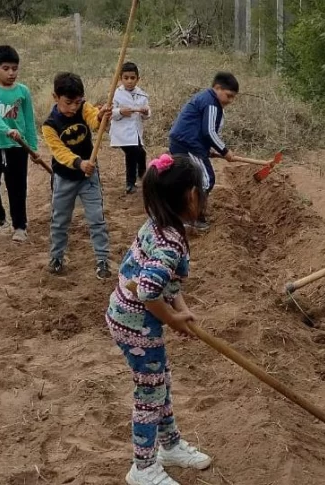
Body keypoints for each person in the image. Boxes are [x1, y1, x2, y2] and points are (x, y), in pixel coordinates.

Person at [105, 153, 212, 485]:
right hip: (136, 324)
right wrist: (173, 320)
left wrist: (181, 309)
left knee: (160, 381)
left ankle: (170, 446)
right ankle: (143, 467)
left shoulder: (161, 224)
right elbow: (148, 293)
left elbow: (166, 285)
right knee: (149, 392)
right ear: (192, 196)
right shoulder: (169, 245)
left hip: (132, 316)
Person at [41, 72, 112, 279]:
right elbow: (59, 152)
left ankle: (102, 259)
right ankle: (56, 257)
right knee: (60, 220)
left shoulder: (84, 108)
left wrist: (101, 116)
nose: (73, 107)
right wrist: (80, 163)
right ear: (56, 97)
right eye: (68, 102)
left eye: (77, 102)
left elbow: (95, 123)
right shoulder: (49, 125)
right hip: (64, 178)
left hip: (88, 178)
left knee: (96, 218)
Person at [0, 45, 40, 243]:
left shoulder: (23, 91)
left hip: (17, 148)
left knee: (16, 187)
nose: (11, 73)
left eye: (15, 68)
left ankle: (19, 226)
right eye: (6, 68)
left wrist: (33, 148)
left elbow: (29, 121)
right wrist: (6, 129)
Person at [168, 72, 238, 232]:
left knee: (189, 180)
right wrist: (225, 151)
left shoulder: (205, 99)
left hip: (183, 142)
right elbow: (209, 131)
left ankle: (183, 215)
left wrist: (210, 149)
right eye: (229, 96)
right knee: (205, 181)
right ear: (217, 88)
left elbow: (200, 129)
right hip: (189, 145)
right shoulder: (211, 102)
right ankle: (192, 218)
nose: (230, 101)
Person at [110, 61, 151, 195]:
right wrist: (120, 112)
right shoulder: (115, 94)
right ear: (120, 78)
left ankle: (143, 177)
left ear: (138, 79)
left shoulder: (143, 95)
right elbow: (110, 112)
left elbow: (146, 115)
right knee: (132, 152)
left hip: (136, 132)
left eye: (132, 78)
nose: (129, 81)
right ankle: (131, 183)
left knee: (141, 153)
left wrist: (145, 112)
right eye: (126, 78)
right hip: (121, 133)